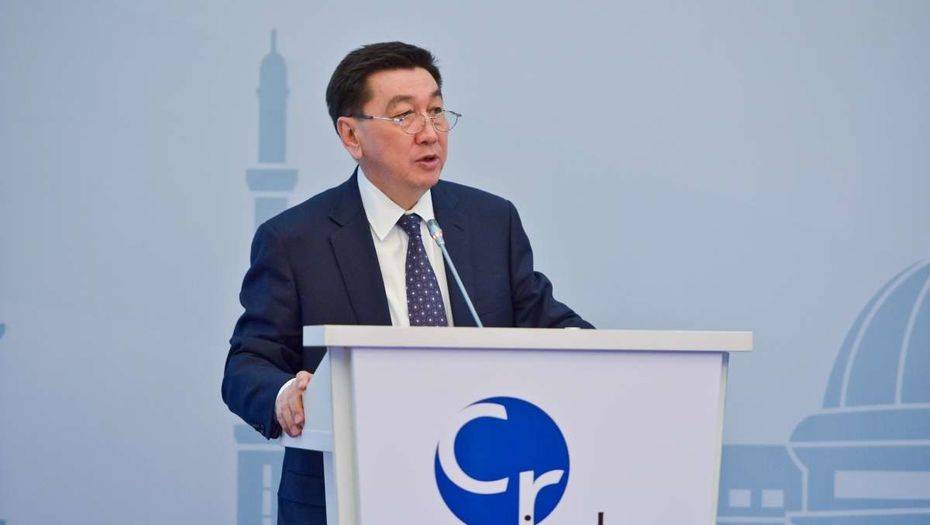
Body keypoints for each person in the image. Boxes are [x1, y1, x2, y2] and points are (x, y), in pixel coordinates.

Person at [222, 41, 593, 524]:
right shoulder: (296, 240)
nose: (429, 133)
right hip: (348, 498)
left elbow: (550, 325)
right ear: (351, 135)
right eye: (404, 116)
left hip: (479, 491)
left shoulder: (490, 221)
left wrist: (598, 359)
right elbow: (247, 364)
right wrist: (285, 394)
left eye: (436, 112)